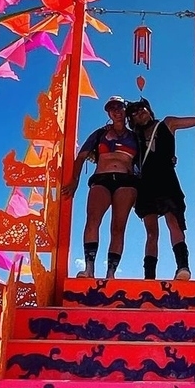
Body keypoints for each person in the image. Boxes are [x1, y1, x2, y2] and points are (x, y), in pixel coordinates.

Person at [126, 84, 195, 281]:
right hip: (145, 185)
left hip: (166, 181)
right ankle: (149, 278)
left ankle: (183, 268)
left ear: (149, 109)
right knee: (151, 233)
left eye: (141, 108)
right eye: (134, 113)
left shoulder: (167, 124)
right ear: (132, 120)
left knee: (174, 223)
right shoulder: (133, 138)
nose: (139, 113)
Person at [63, 95, 139, 279]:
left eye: (119, 107)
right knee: (92, 220)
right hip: (101, 178)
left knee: (118, 227)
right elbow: (80, 157)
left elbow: (148, 160)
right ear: (108, 113)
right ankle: (89, 269)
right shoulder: (99, 134)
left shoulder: (135, 136)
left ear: (124, 110)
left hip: (126, 181)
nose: (116, 111)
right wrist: (75, 180)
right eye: (112, 108)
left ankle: (110, 273)